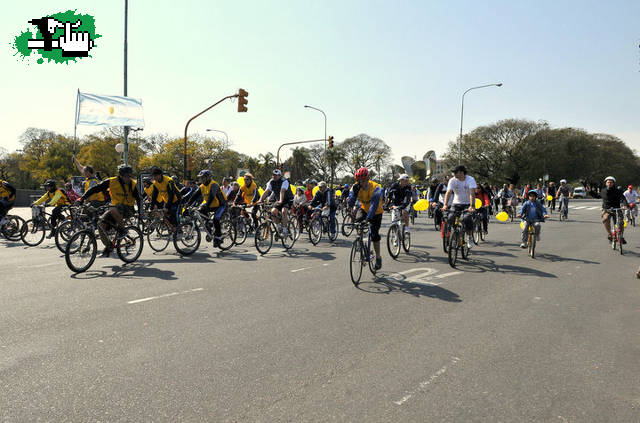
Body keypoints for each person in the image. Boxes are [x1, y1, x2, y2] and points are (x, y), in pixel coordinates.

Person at [79, 164, 140, 257]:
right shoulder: (112, 181)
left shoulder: (132, 184)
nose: (128, 178)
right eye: (126, 176)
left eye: (129, 176)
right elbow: (96, 189)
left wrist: (140, 212)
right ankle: (109, 247)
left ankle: (123, 230)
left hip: (128, 208)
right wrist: (82, 198)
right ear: (120, 175)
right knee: (100, 225)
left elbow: (138, 199)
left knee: (112, 208)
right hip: (115, 208)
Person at [348, 167, 384, 270]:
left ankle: (378, 257)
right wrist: (353, 194)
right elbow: (350, 203)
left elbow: (374, 205)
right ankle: (361, 241)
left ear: (368, 179)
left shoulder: (376, 187)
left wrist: (368, 219)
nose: (361, 183)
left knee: (374, 234)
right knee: (357, 223)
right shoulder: (355, 187)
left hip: (376, 212)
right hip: (364, 209)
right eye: (359, 181)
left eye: (363, 180)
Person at [184, 169, 227, 247]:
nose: (201, 179)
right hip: (211, 205)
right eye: (200, 178)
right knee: (200, 212)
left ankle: (219, 237)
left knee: (216, 219)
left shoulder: (214, 185)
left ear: (208, 177)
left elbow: (211, 197)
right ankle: (209, 224)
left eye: (203, 177)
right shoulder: (202, 186)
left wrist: (205, 206)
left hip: (220, 205)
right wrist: (187, 204)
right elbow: (195, 195)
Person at [442, 165, 477, 249]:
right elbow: (448, 192)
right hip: (456, 203)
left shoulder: (470, 179)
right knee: (450, 217)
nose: (453, 174)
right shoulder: (452, 180)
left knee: (467, 218)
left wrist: (472, 206)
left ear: (461, 172)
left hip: (468, 204)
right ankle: (454, 238)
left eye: (455, 172)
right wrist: (445, 205)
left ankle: (469, 237)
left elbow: (472, 194)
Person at [258, 169, 293, 237]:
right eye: (273, 175)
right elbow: (267, 191)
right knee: (273, 212)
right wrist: (260, 200)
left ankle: (285, 230)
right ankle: (279, 227)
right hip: (279, 200)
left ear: (280, 176)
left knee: (283, 211)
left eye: (276, 175)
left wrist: (280, 200)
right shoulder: (271, 182)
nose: (274, 176)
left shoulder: (284, 181)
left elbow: (282, 191)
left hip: (287, 199)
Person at [601, 176, 627, 243]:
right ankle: (610, 233)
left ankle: (621, 236)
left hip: (617, 209)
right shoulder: (603, 190)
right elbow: (596, 195)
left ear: (613, 183)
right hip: (607, 209)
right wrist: (590, 191)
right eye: (608, 182)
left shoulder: (618, 191)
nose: (609, 183)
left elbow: (623, 198)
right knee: (605, 219)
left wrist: (624, 205)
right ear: (606, 183)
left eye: (611, 182)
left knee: (621, 222)